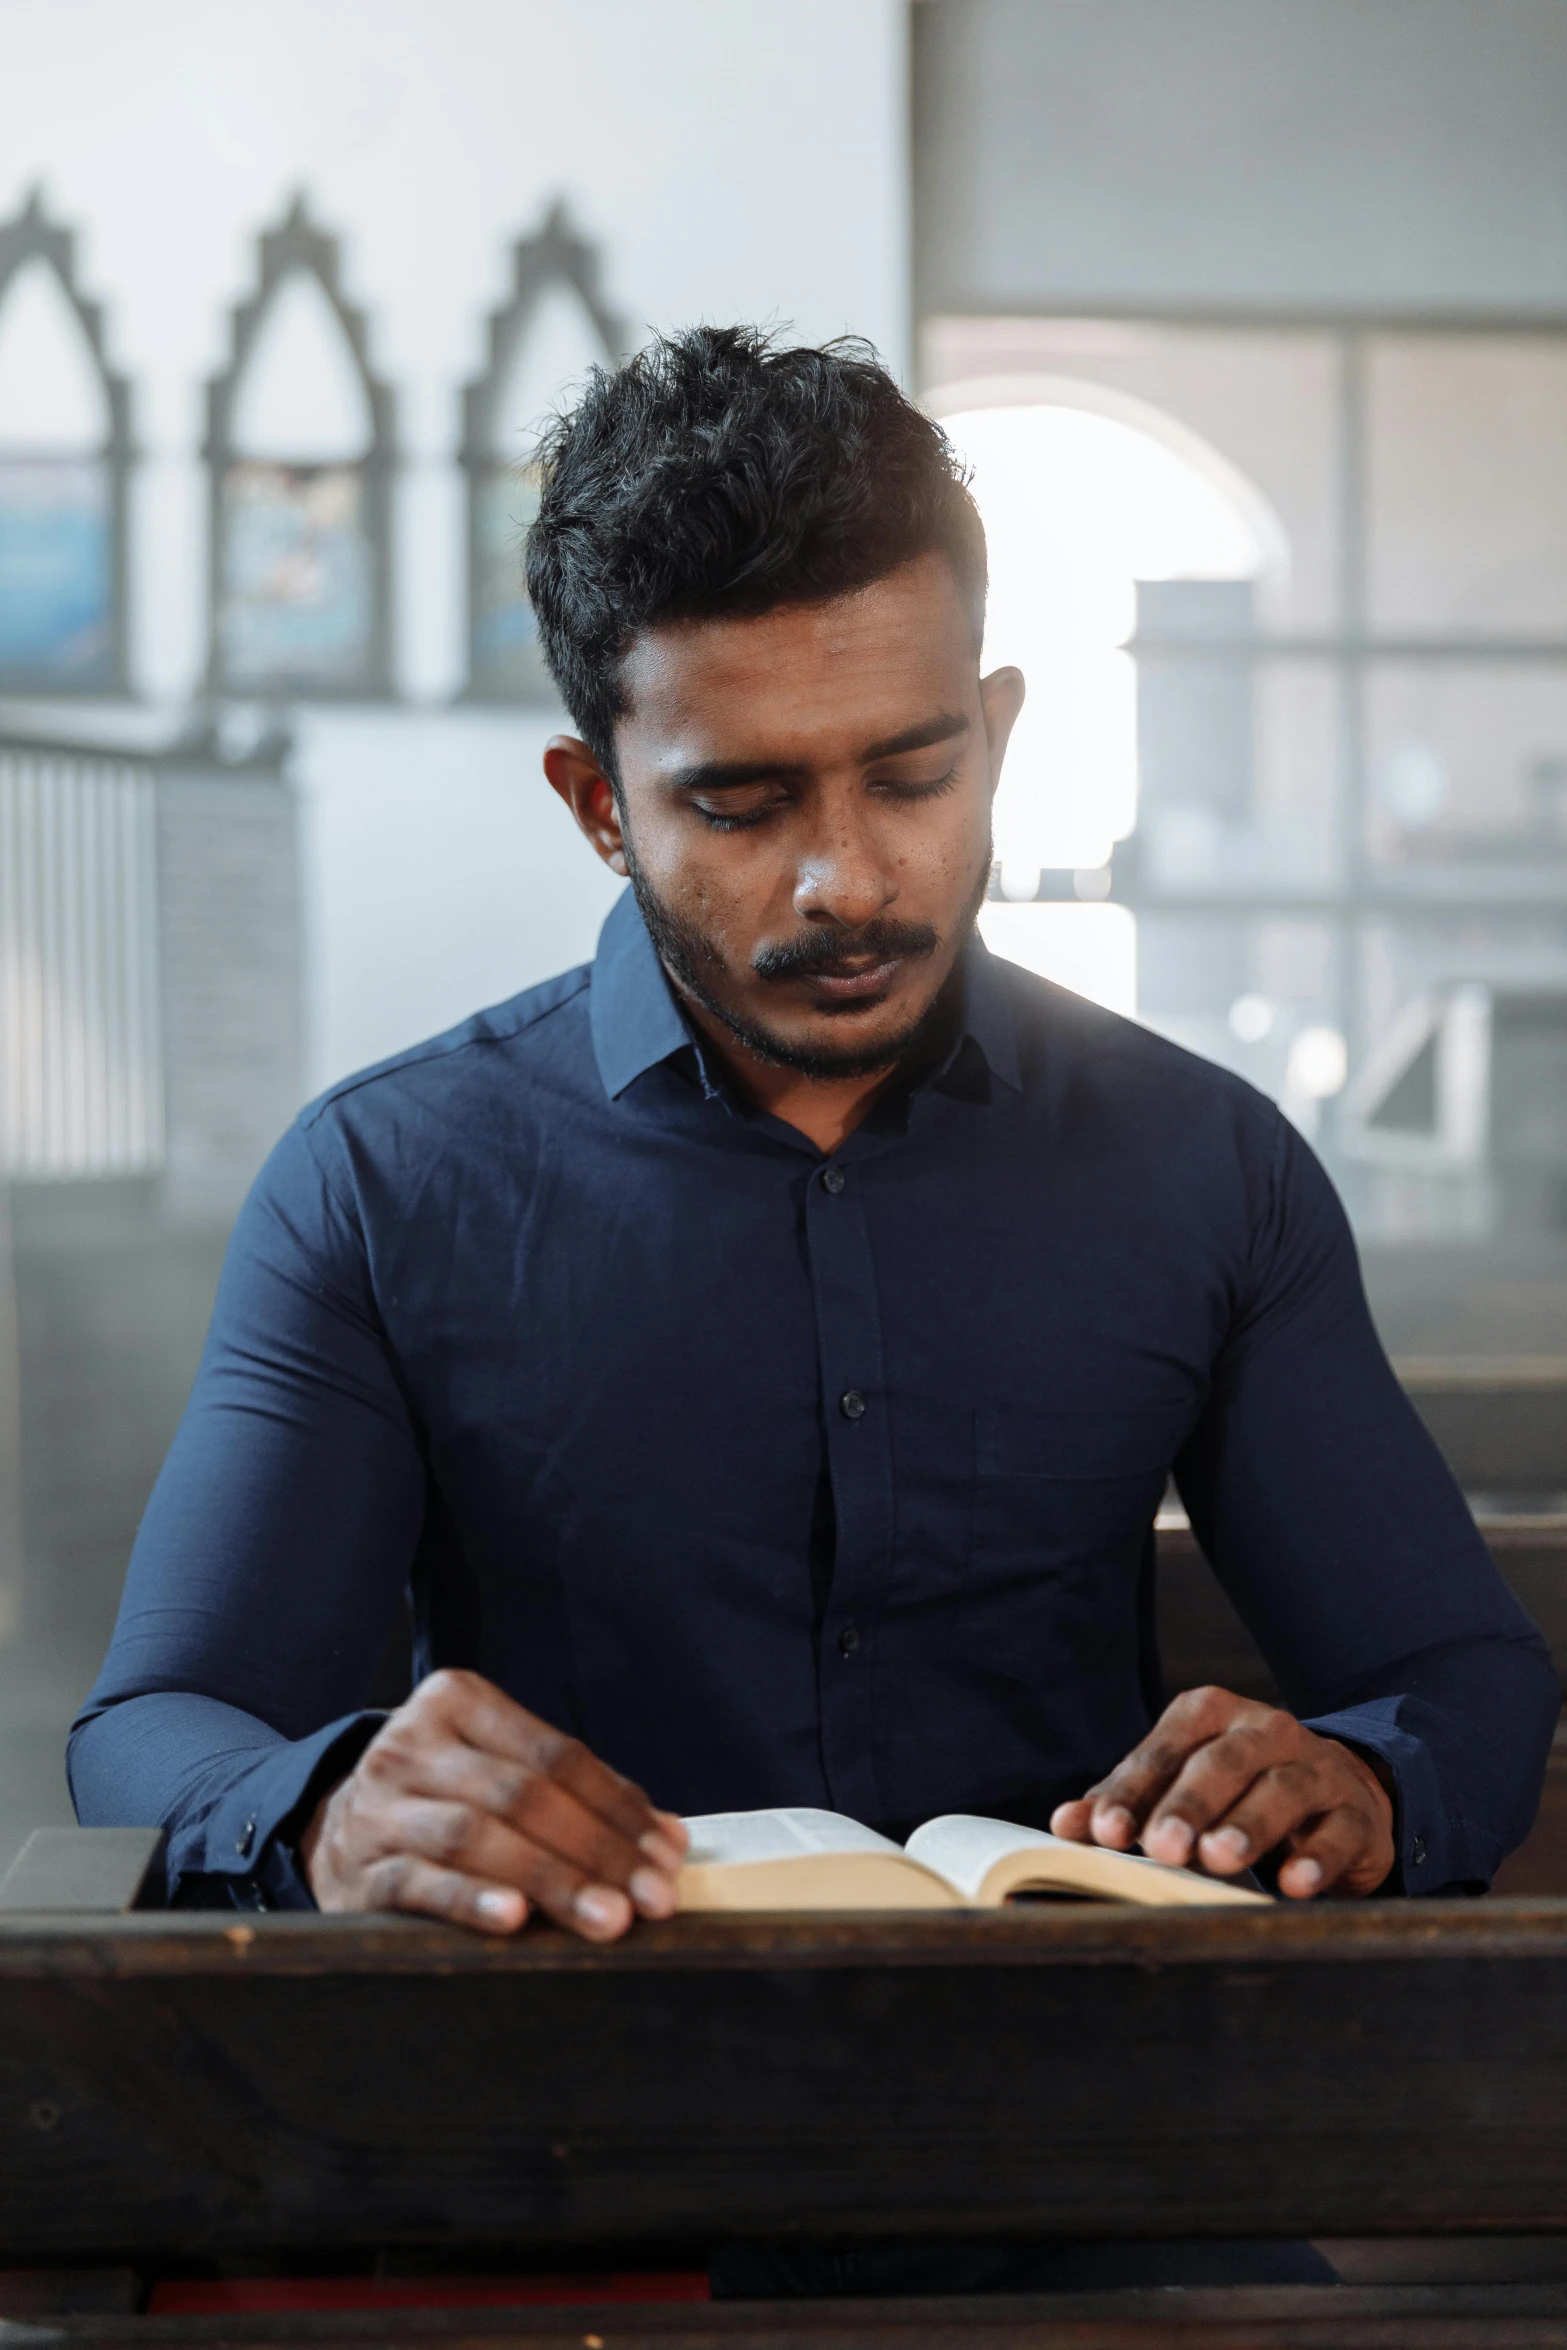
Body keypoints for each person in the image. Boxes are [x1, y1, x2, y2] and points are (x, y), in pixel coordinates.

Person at [70, 327, 1554, 2297]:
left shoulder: (1206, 1167)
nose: (850, 874)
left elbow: (1458, 1667)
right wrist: (332, 1796)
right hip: (561, 2169)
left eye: (915, 772)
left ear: (1000, 729)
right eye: (744, 799)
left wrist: (1363, 1775)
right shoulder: (385, 1184)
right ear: (600, 802)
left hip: (1098, 2171)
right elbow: (152, 1734)